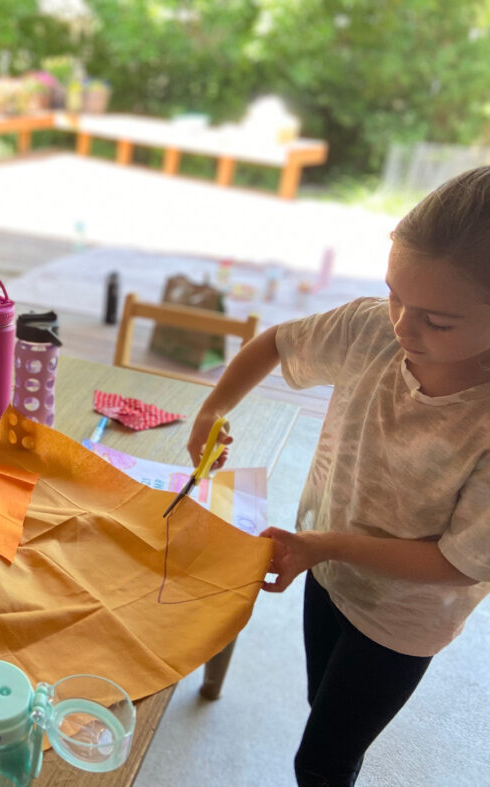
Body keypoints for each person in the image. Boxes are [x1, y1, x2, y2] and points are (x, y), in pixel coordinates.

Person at [187, 167, 490, 786]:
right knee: (318, 702)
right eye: (394, 294)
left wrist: (323, 545)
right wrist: (213, 409)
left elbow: (459, 562)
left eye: (438, 321)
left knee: (323, 760)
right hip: (324, 569)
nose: (402, 326)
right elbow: (276, 343)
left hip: (405, 615)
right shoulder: (369, 329)